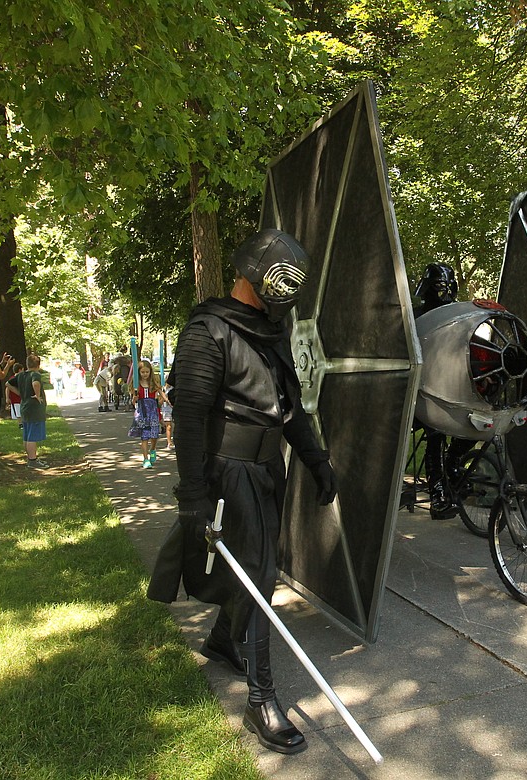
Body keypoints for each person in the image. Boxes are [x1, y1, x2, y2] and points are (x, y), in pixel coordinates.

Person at [147, 228, 337, 756]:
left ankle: (224, 642)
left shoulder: (268, 334)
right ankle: (262, 698)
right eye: (279, 282)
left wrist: (316, 459)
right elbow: (187, 419)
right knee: (258, 575)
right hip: (229, 473)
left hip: (265, 470)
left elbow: (289, 407)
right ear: (251, 279)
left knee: (258, 567)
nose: (286, 292)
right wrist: (193, 495)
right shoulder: (208, 331)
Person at [412, 263, 474, 518]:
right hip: (422, 394)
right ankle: (437, 494)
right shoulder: (415, 318)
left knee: (475, 424)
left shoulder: (458, 319)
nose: (444, 292)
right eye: (440, 287)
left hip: (452, 390)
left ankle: (453, 464)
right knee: (436, 434)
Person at [129, 359, 167, 468]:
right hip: (142, 413)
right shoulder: (136, 386)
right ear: (139, 373)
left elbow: (161, 393)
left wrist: (166, 401)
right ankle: (145, 459)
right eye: (142, 372)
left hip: (153, 411)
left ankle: (153, 449)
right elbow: (133, 402)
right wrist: (135, 399)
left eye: (147, 372)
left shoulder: (153, 384)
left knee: (154, 435)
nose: (145, 374)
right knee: (144, 437)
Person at [16, 354, 48, 467]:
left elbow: (8, 384)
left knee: (27, 434)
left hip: (24, 407)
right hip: (34, 409)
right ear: (38, 365)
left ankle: (30, 458)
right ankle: (33, 460)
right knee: (32, 436)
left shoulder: (21, 375)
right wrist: (37, 395)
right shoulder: (35, 374)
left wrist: (20, 393)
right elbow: (35, 383)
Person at [160, 383, 174, 449]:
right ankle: (169, 442)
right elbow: (159, 402)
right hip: (166, 409)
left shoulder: (174, 388)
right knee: (169, 426)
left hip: (174, 408)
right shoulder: (162, 389)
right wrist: (164, 397)